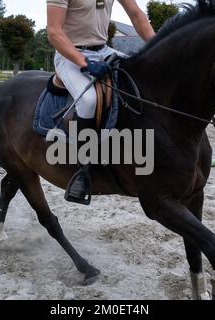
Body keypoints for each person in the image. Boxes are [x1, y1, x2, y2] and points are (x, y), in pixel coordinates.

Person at [47, 0, 155, 205]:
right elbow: (54, 32)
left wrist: (158, 46)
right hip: (70, 55)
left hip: (104, 51)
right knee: (88, 100)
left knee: (143, 77)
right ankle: (83, 169)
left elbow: (136, 15)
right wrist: (84, 63)